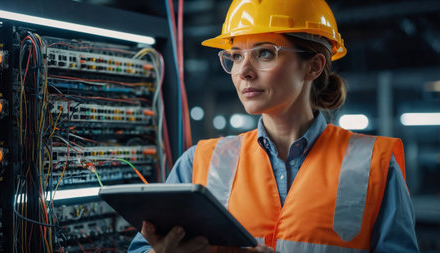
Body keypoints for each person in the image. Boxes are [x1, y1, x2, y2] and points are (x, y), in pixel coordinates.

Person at [129, 0, 419, 252]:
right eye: (236, 56)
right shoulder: (197, 163)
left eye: (264, 53)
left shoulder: (375, 166)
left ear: (314, 66)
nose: (244, 71)